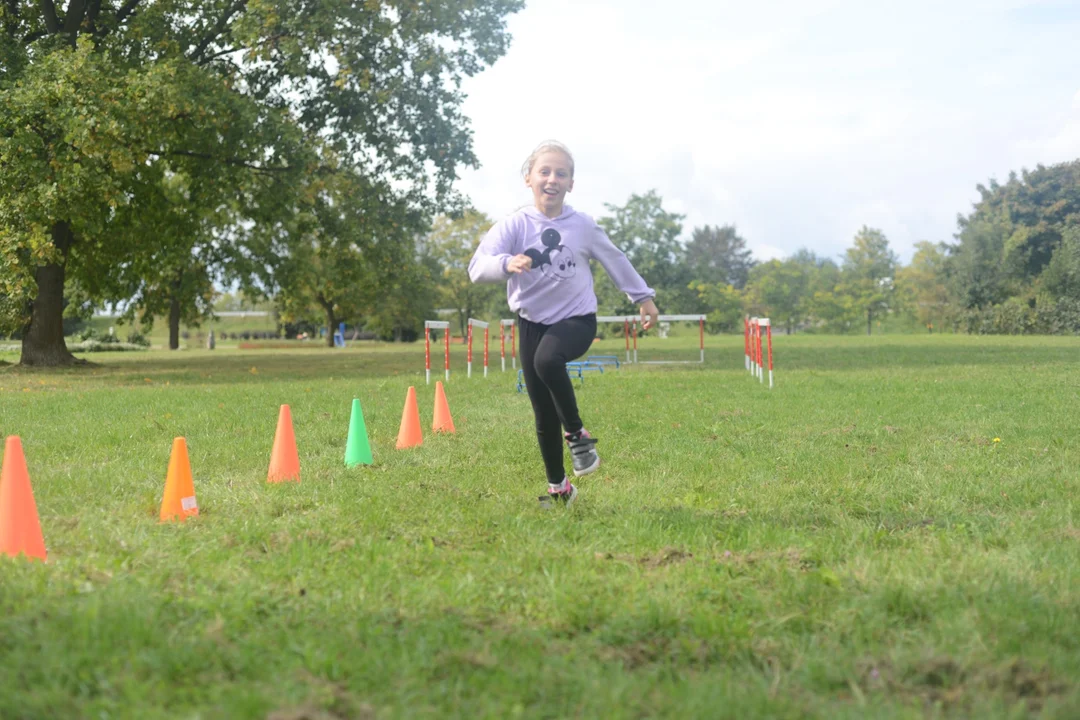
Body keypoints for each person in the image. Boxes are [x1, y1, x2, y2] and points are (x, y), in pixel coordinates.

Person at [468, 140, 659, 506]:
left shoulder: (582, 226)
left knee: (547, 362)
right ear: (529, 178)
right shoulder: (515, 224)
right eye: (544, 171)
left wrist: (643, 297)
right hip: (531, 324)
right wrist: (506, 263)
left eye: (561, 173)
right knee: (541, 410)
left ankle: (577, 434)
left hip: (576, 321)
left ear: (571, 183)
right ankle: (560, 488)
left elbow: (614, 258)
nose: (552, 179)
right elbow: (477, 268)